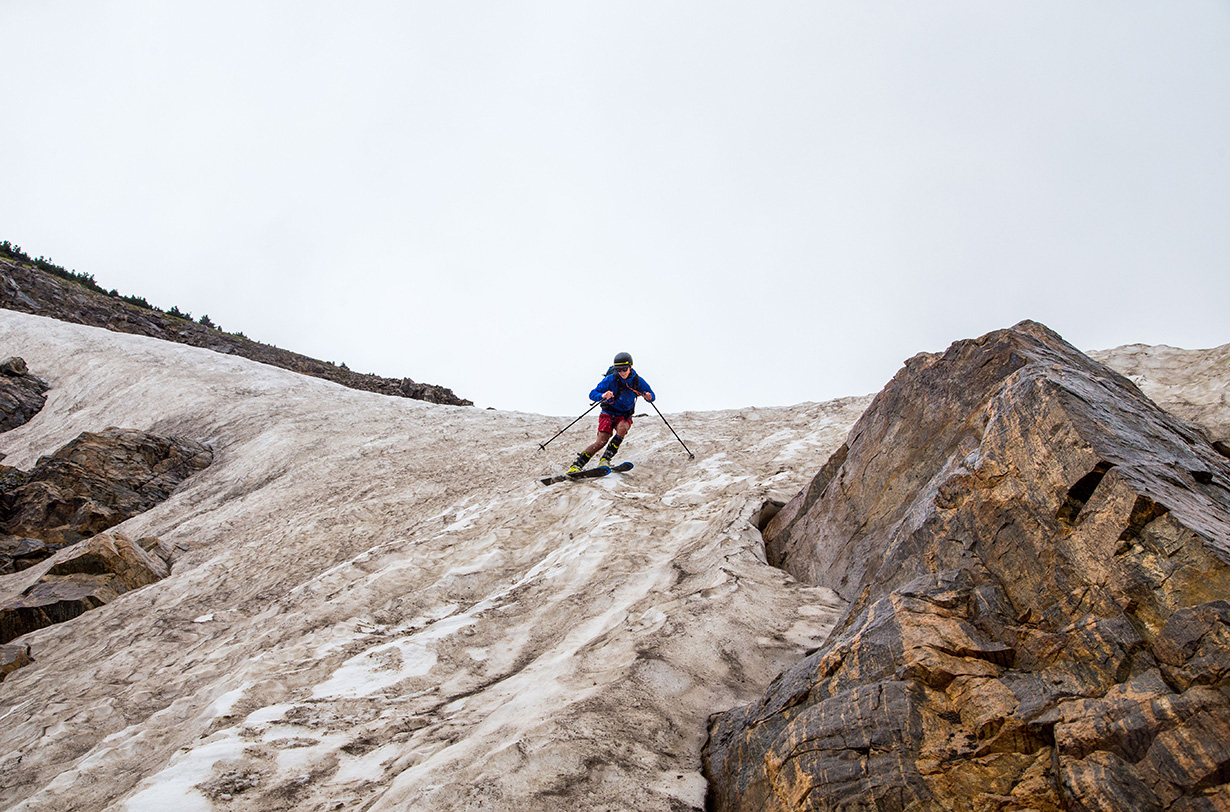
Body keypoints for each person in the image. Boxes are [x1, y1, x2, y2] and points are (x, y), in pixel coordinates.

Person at [569, 352, 655, 473]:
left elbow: (652, 396)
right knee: (601, 441)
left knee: (623, 428)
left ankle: (606, 459)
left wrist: (649, 397)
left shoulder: (637, 381)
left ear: (630, 366)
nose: (622, 372)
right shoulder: (610, 379)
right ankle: (577, 465)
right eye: (618, 369)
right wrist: (602, 395)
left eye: (624, 369)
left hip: (624, 414)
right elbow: (592, 394)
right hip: (608, 413)